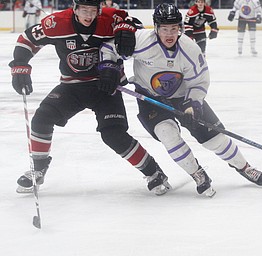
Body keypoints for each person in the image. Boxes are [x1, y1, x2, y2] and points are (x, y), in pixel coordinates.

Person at [99, 3, 262, 197]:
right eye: (164, 29)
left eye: (174, 28)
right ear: (156, 28)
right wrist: (107, 69)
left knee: (215, 140)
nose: (169, 34)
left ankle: (244, 167)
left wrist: (193, 105)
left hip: (183, 97)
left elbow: (199, 81)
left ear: (180, 27)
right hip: (149, 97)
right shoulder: (142, 41)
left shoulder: (189, 48)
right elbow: (108, 48)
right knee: (167, 134)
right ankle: (197, 173)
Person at [9, 0, 171, 195]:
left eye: (93, 10)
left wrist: (126, 29)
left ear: (99, 10)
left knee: (113, 135)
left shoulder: (110, 18)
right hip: (72, 87)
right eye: (84, 10)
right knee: (42, 119)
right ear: (74, 9)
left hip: (106, 87)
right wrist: (20, 66)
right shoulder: (56, 23)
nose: (88, 15)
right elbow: (27, 39)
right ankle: (38, 169)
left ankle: (154, 173)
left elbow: (136, 28)